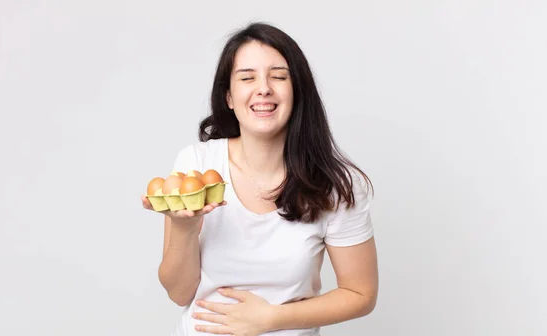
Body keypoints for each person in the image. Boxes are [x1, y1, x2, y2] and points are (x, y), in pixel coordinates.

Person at [141, 22, 378, 336]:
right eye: (247, 78)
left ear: (298, 91)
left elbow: (360, 294)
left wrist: (270, 319)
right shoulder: (197, 165)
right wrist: (184, 229)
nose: (263, 88)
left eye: (278, 76)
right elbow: (179, 293)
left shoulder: (334, 184)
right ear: (228, 96)